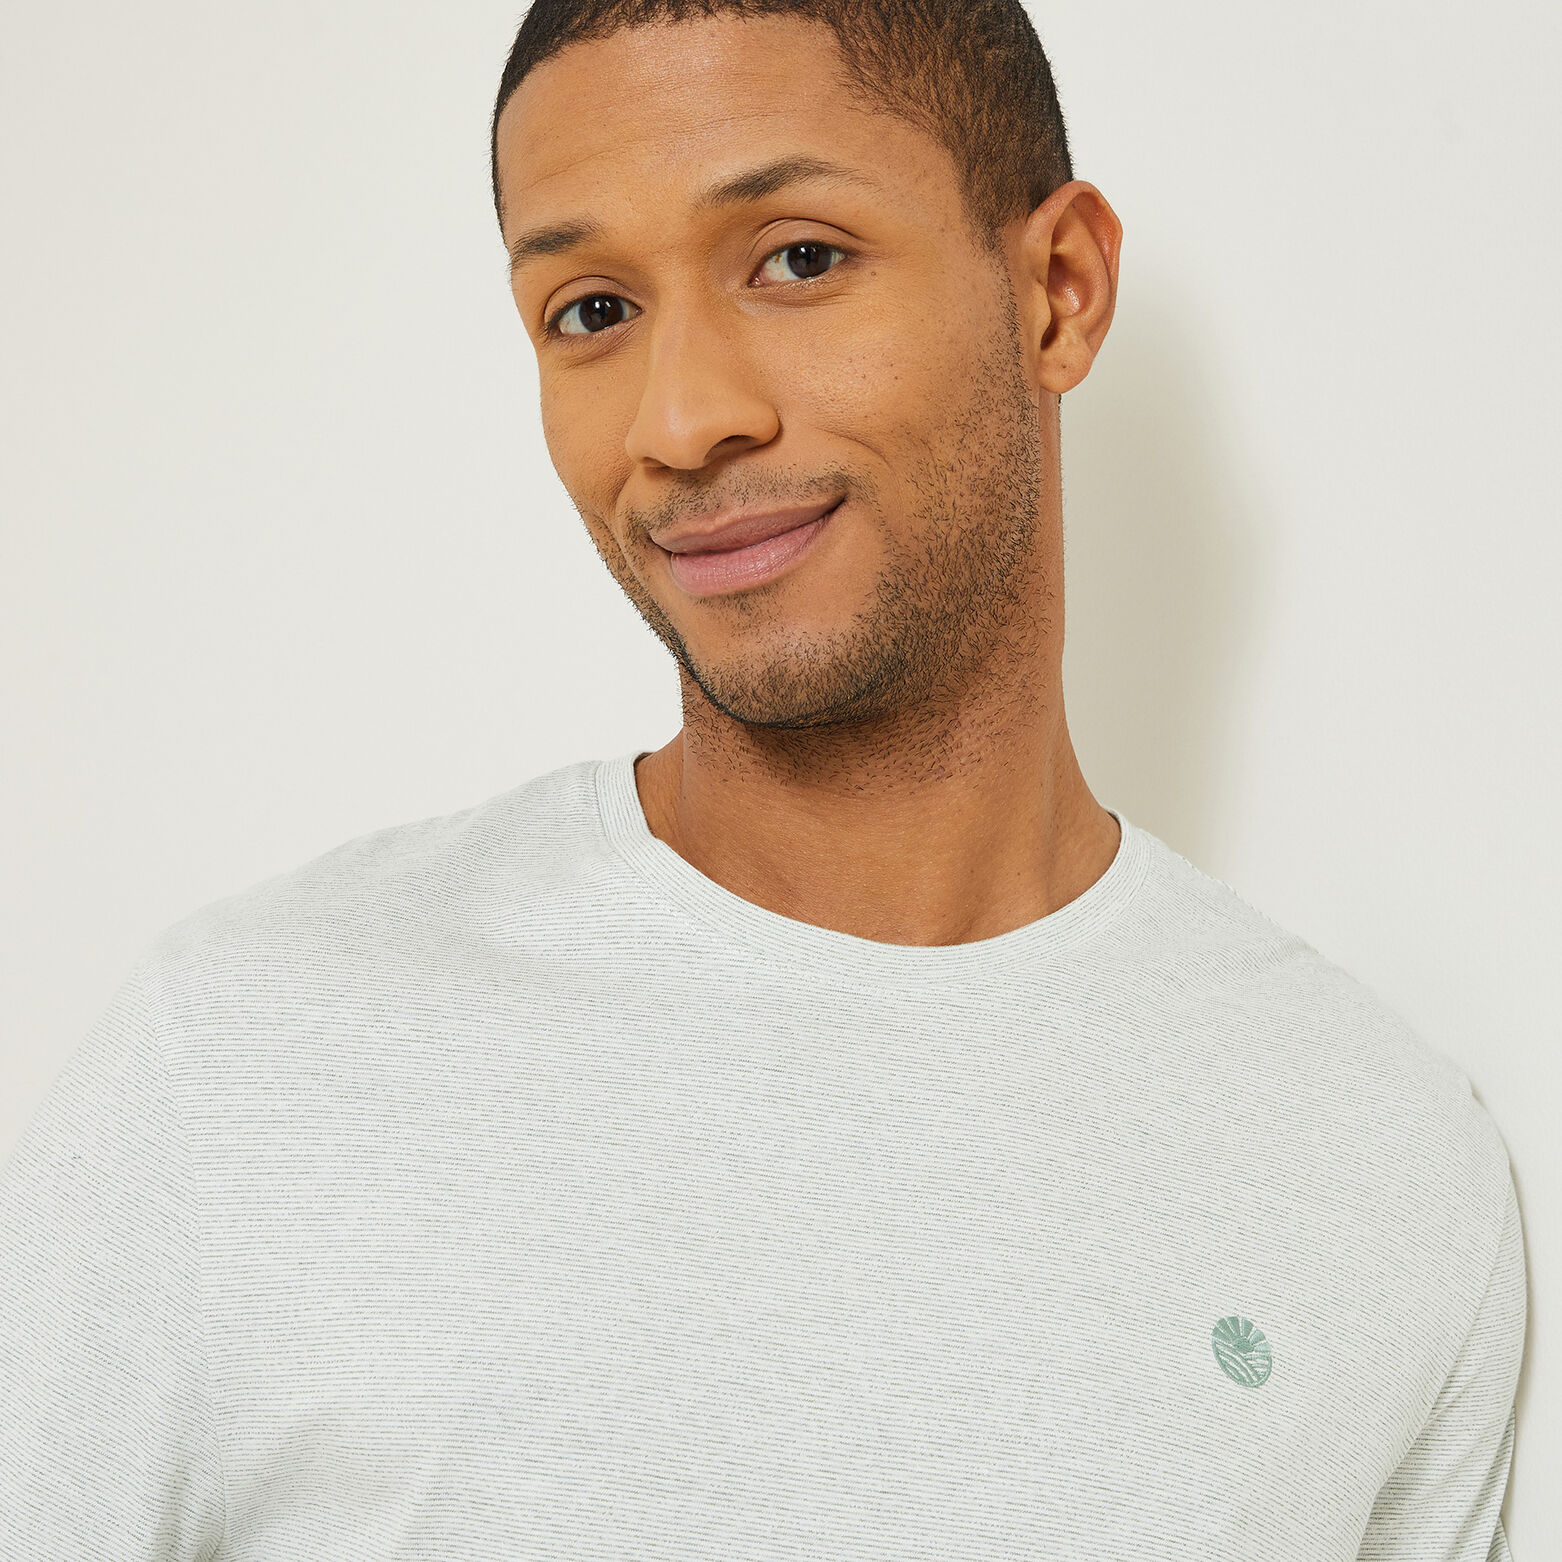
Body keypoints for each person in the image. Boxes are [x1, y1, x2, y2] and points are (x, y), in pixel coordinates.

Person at [0, 1, 1526, 1557]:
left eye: (797, 259)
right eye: (592, 309)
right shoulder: (242, 1068)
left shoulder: (1379, 1163)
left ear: (1057, 291)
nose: (679, 419)